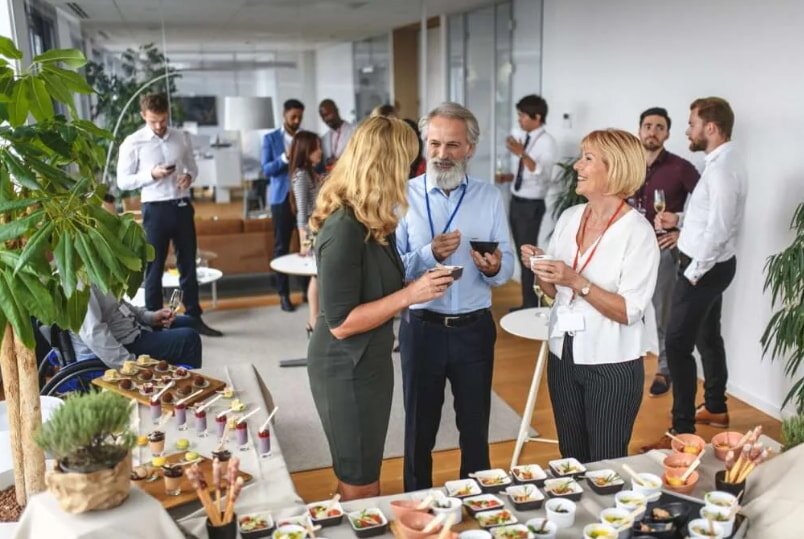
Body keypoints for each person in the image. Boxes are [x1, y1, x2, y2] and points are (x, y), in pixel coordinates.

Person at [307, 117, 453, 500]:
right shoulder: (343, 228)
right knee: (361, 481)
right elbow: (340, 323)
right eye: (407, 162)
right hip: (345, 365)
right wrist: (410, 295)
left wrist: (418, 287)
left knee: (360, 467)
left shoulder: (372, 221)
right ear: (384, 165)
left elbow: (373, 290)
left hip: (369, 360)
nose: (412, 171)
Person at [396, 102, 515, 491]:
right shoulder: (403, 196)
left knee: (476, 430)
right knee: (418, 433)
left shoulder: (490, 197)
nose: (442, 154)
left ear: (470, 149)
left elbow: (509, 264)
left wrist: (494, 267)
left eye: (452, 145)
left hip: (474, 329)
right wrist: (429, 253)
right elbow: (393, 269)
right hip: (421, 328)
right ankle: (416, 508)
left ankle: (479, 505)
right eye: (434, 144)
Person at [522, 129, 659, 461]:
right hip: (563, 355)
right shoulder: (570, 218)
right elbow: (555, 293)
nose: (577, 167)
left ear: (614, 168)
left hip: (611, 365)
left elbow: (629, 311)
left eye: (588, 158)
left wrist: (576, 280)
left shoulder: (638, 233)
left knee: (605, 462)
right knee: (572, 456)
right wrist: (542, 269)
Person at [643, 98, 746, 449]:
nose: (688, 130)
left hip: (703, 268)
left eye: (691, 124)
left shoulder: (721, 170)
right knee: (707, 337)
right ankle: (715, 407)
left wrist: (693, 273)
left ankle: (681, 431)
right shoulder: (720, 164)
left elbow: (719, 230)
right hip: (712, 266)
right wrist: (680, 221)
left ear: (711, 129)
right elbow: (710, 217)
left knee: (676, 343)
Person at [117, 93, 222, 337]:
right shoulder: (132, 142)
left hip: (182, 205)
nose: (159, 126)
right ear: (144, 116)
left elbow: (192, 167)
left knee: (188, 265)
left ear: (168, 114)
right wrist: (151, 174)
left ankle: (194, 316)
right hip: (155, 208)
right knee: (154, 267)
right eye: (153, 121)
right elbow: (123, 181)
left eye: (162, 120)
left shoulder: (181, 137)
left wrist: (189, 177)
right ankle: (153, 322)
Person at [635, 107, 700, 397]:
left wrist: (681, 232)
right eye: (648, 126)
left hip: (661, 250)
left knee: (663, 315)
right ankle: (623, 365)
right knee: (625, 309)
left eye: (659, 127)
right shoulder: (629, 164)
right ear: (639, 130)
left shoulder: (681, 167)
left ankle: (664, 369)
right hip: (629, 247)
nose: (652, 131)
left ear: (667, 133)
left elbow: (705, 208)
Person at [496, 95, 558, 311]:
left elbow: (543, 175)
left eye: (522, 115)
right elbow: (526, 175)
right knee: (520, 252)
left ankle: (531, 304)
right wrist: (508, 177)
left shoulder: (547, 142)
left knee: (528, 255)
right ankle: (527, 302)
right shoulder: (527, 137)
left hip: (531, 206)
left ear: (537, 117)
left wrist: (522, 153)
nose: (520, 120)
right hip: (517, 200)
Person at [72, 285, 202, 370]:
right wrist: (129, 363)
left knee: (188, 321)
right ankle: (184, 392)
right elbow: (94, 334)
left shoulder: (98, 270)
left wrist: (151, 317)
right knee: (189, 338)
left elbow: (121, 305)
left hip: (134, 331)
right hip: (123, 346)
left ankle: (176, 380)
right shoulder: (80, 283)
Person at [262, 98, 305, 312]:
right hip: (281, 199)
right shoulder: (270, 139)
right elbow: (267, 170)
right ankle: (283, 295)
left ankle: (307, 290)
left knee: (307, 245)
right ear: (284, 115)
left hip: (304, 198)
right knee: (282, 247)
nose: (296, 121)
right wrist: (284, 159)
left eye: (299, 117)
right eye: (293, 117)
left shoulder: (305, 138)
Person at [290, 131, 324, 336]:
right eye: (316, 147)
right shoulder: (302, 175)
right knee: (316, 275)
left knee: (319, 275)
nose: (320, 151)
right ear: (306, 150)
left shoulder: (310, 172)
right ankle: (312, 320)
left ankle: (315, 320)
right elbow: (302, 211)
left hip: (318, 229)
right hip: (313, 232)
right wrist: (304, 241)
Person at [318, 99, 354, 170]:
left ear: (337, 111)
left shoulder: (354, 131)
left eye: (328, 114)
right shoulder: (323, 138)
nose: (326, 119)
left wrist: (340, 162)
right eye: (323, 116)